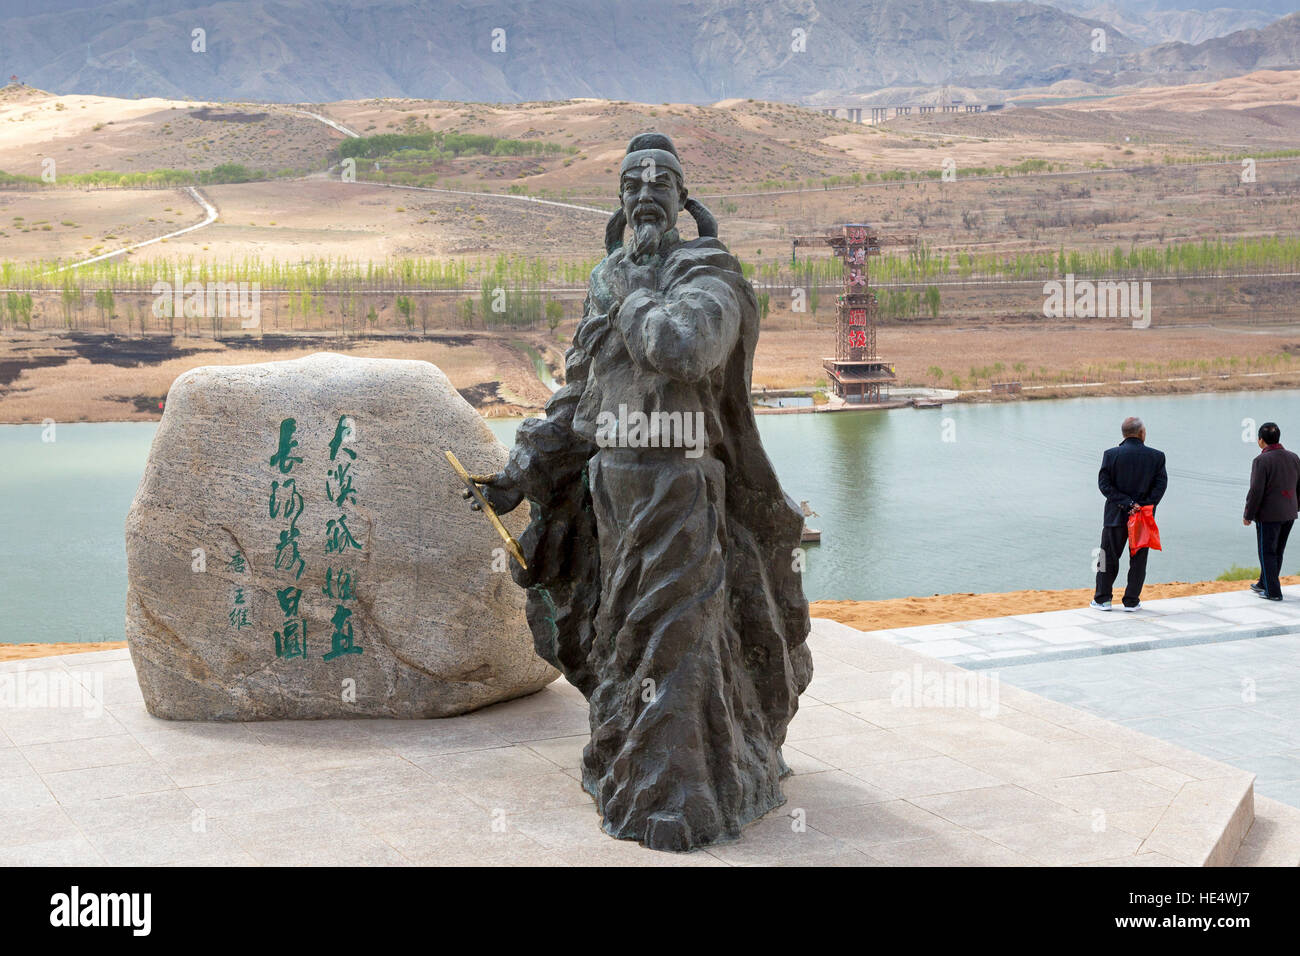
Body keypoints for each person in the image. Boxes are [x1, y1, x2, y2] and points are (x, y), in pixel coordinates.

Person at [463, 132, 812, 852]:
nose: (645, 193)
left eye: (660, 184)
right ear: (619, 200)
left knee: (672, 639)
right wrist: (519, 473)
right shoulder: (609, 277)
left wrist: (630, 298)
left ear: (683, 201)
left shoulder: (708, 272)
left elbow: (684, 347)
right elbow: (580, 395)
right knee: (620, 639)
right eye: (632, 185)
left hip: (681, 484)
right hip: (609, 489)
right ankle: (628, 763)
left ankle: (677, 799)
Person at [1092, 416, 1168, 611]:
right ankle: (1131, 601)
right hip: (1143, 518)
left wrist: (1127, 503)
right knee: (1139, 560)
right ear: (1142, 433)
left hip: (1115, 516)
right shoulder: (1157, 457)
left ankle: (1102, 599)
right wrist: (1140, 506)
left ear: (1124, 434)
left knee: (1106, 558)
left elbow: (1104, 486)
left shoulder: (1110, 455)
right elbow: (1160, 487)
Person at [1243, 421, 1300, 601]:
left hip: (1269, 515)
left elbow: (1256, 491)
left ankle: (1273, 592)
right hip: (1289, 513)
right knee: (1278, 551)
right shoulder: (1293, 457)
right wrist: (1296, 507)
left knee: (1266, 552)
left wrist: (1248, 515)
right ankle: (1263, 583)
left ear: (1260, 440)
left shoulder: (1261, 461)